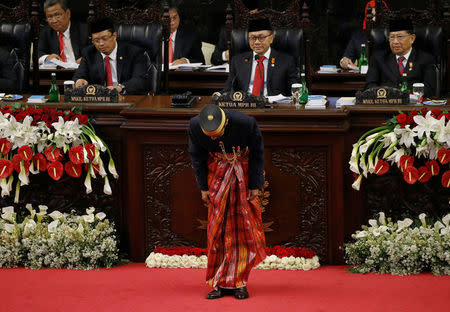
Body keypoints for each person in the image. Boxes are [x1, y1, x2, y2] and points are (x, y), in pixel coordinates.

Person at [189, 104, 266, 300]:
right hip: (216, 176)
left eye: (217, 134)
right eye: (210, 135)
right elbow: (197, 157)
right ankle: (218, 282)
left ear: (227, 123)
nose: (213, 138)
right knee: (217, 230)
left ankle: (240, 282)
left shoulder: (246, 123)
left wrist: (255, 185)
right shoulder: (195, 126)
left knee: (242, 229)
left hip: (243, 177)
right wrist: (203, 188)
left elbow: (258, 153)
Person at [222, 18, 298, 96]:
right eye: (252, 38)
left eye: (261, 37)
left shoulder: (286, 61)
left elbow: (295, 90)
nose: (257, 42)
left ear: (271, 38)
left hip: (274, 105)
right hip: (246, 105)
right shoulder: (237, 61)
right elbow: (228, 88)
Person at [73, 18, 149, 94]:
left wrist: (120, 88)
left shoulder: (134, 52)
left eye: (105, 39)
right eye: (96, 40)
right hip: (101, 101)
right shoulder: (89, 53)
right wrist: (79, 80)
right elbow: (78, 76)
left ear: (114, 36)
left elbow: (140, 80)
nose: (101, 44)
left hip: (126, 98)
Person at [365, 18, 436, 97]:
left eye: (400, 37)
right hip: (387, 104)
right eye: (392, 37)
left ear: (412, 38)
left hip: (413, 105)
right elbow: (370, 86)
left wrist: (405, 96)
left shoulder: (425, 59)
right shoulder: (378, 58)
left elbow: (429, 88)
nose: (395, 42)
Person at [340, 0, 389, 70]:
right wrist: (344, 61)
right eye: (371, 16)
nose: (374, 19)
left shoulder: (394, 35)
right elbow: (346, 58)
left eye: (378, 16)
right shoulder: (358, 36)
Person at [39, 0, 89, 65]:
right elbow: (39, 52)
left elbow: (95, 51)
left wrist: (86, 58)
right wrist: (47, 57)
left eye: (57, 15)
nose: (54, 20)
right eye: (50, 17)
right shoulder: (46, 32)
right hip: (59, 73)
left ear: (68, 13)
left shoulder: (84, 30)